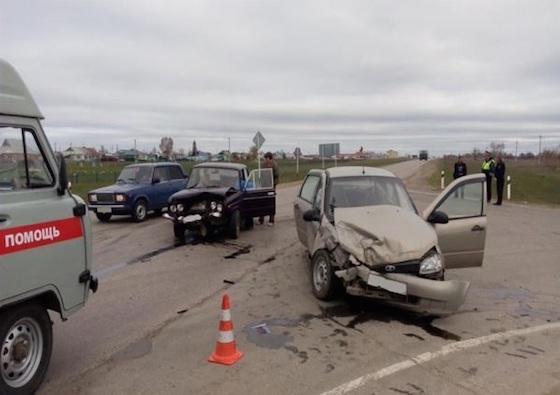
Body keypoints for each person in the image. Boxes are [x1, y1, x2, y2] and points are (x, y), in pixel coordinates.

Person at [259, 152, 279, 226]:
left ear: (269, 158)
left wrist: (273, 183)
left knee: (271, 202)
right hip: (264, 185)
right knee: (262, 202)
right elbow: (261, 173)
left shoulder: (274, 165)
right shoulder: (264, 164)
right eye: (265, 159)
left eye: (266, 158)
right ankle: (261, 219)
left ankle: (271, 220)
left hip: (271, 185)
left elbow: (276, 175)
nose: (265, 160)